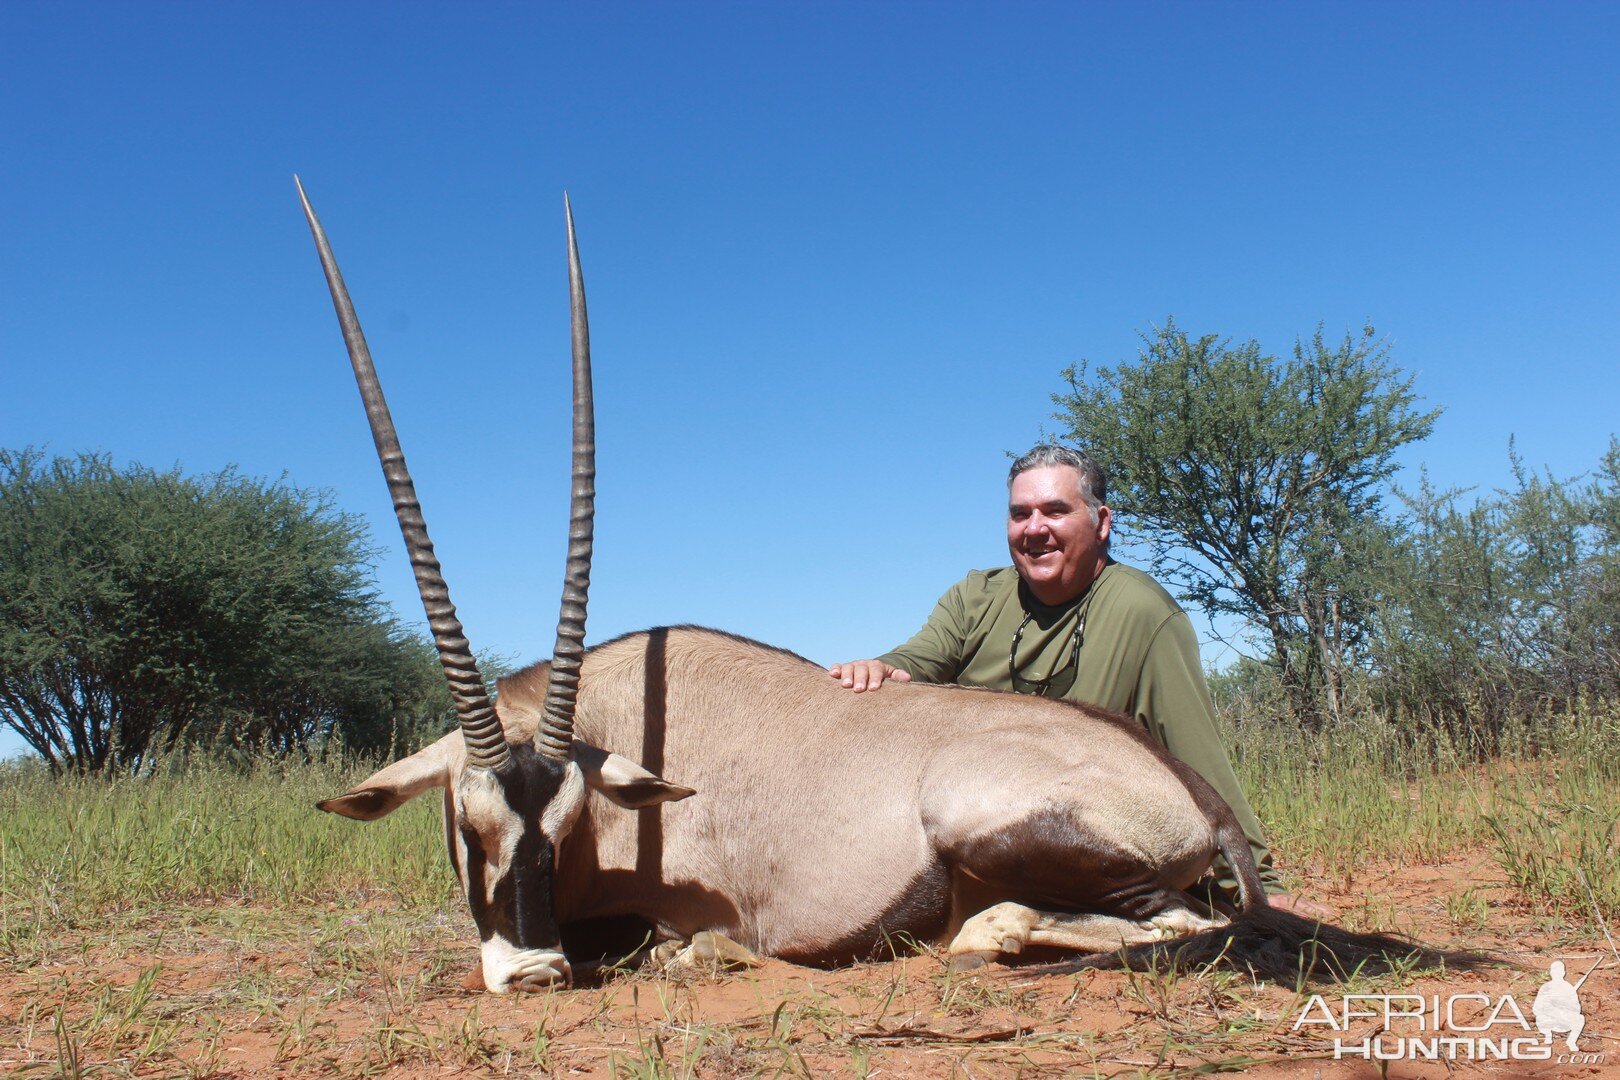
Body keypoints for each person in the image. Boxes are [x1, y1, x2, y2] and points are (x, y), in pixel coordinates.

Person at [830, 444, 1327, 917]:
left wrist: (1257, 884)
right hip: (978, 821)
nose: (1034, 528)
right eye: (1020, 513)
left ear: (1101, 522)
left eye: (1054, 510)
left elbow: (1197, 752)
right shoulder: (974, 596)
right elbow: (919, 656)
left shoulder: (1142, 612)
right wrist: (881, 667)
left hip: (1075, 827)